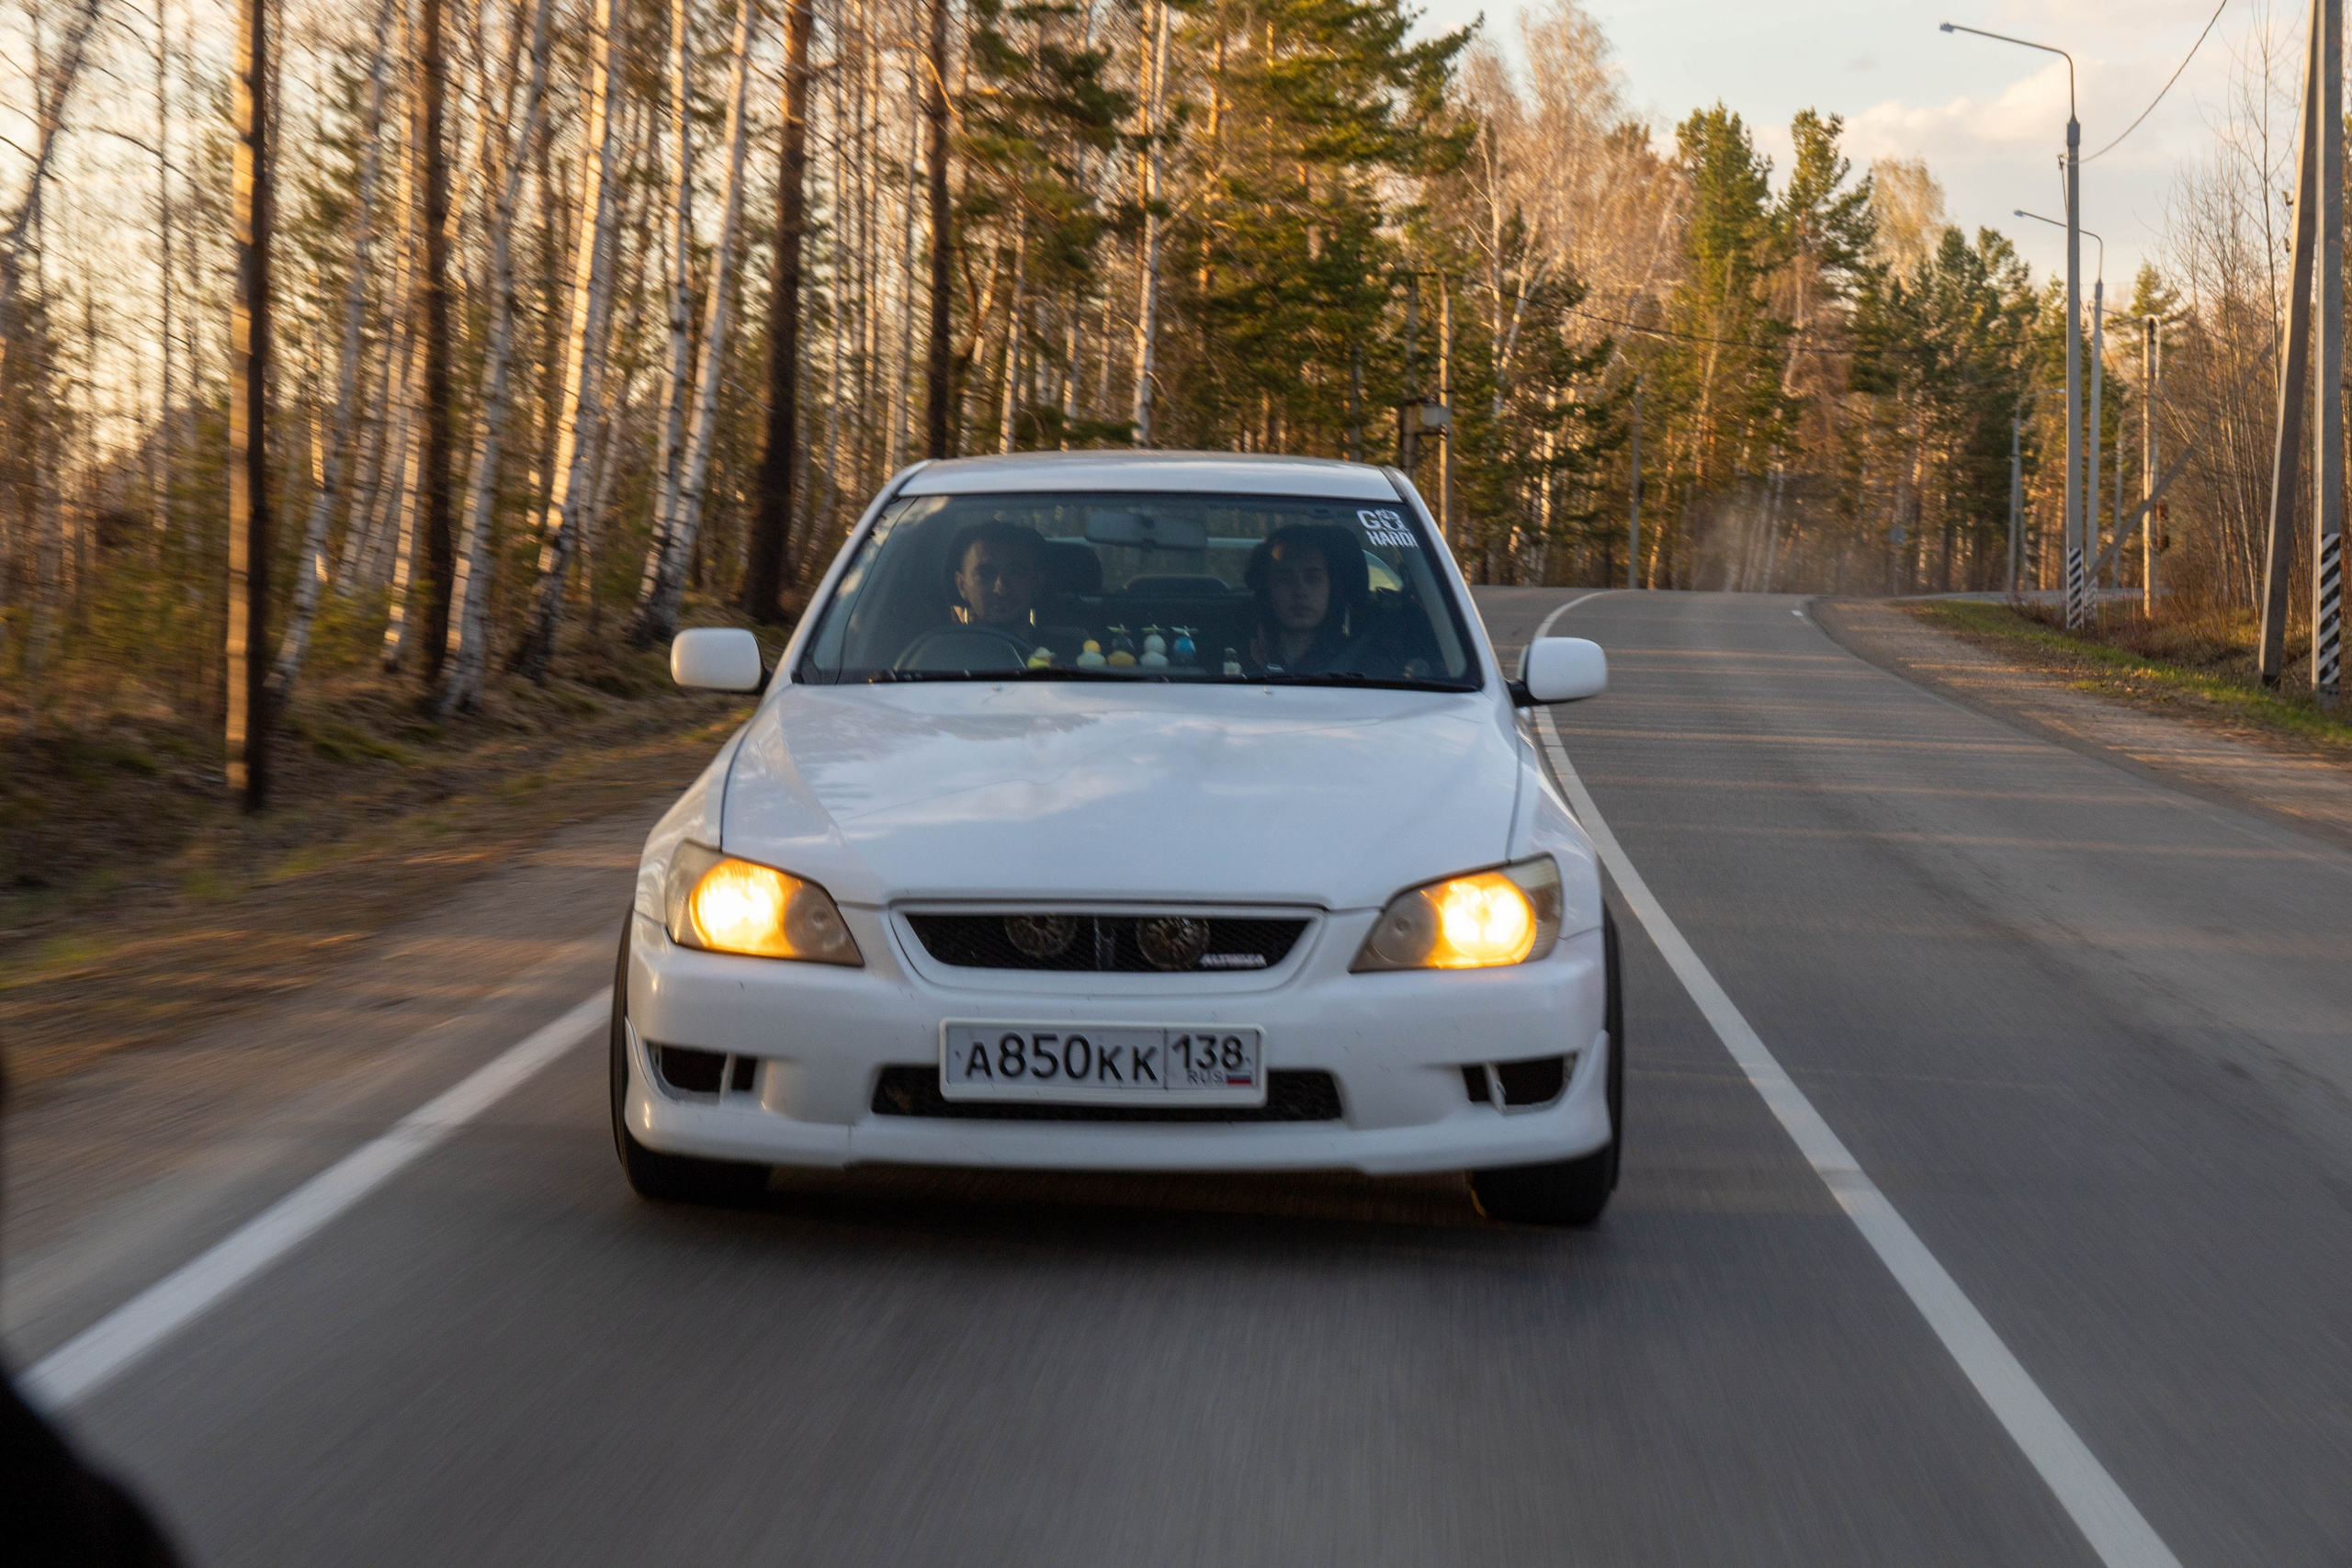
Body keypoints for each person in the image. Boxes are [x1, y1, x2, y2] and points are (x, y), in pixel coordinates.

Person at [1243, 525, 1372, 673]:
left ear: (1331, 587)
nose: (1300, 591)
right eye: (1285, 579)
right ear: (1266, 589)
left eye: (1312, 578)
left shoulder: (1365, 663)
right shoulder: (1233, 658)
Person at [944, 521, 1044, 630]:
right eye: (984, 575)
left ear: (1037, 583)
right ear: (961, 585)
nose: (1001, 589)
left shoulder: (1062, 647)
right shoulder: (944, 647)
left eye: (1015, 573)